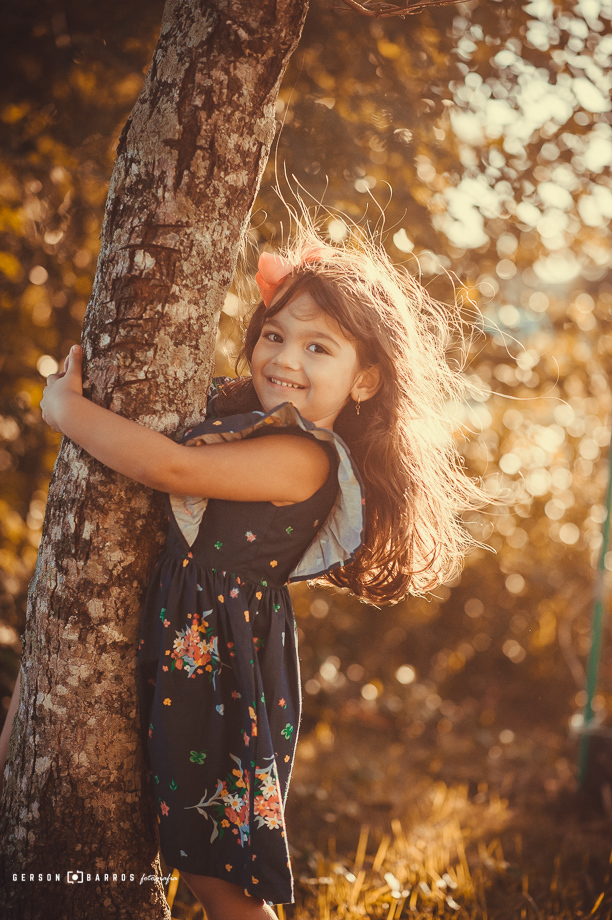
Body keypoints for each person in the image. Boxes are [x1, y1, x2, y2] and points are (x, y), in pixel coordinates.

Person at [3, 228, 484, 919]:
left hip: (216, 665)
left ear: (366, 380)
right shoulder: (252, 419)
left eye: (318, 347)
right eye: (274, 335)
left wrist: (66, 410)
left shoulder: (307, 460)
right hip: (168, 632)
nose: (285, 358)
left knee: (212, 869)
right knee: (32, 721)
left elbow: (172, 468)